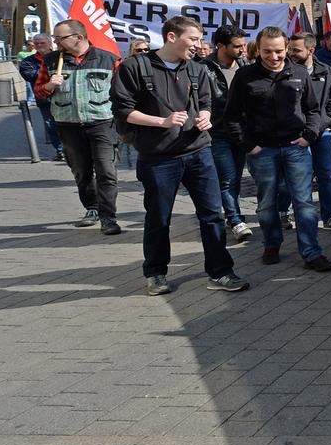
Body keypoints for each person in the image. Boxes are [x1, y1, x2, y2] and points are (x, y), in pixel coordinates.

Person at [112, 16, 249, 296]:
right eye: (193, 39)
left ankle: (220, 271)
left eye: (200, 40)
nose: (198, 46)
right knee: (159, 218)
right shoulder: (135, 67)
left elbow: (207, 102)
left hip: (199, 152)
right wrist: (161, 121)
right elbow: (124, 110)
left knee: (212, 214)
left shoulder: (197, 70)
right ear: (172, 37)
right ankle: (156, 273)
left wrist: (205, 118)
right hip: (159, 158)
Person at [224, 26, 331, 272]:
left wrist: (309, 135)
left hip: (296, 147)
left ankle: (311, 252)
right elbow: (232, 116)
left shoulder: (298, 72)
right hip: (262, 151)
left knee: (304, 203)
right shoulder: (245, 76)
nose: (273, 57)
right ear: (258, 50)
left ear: (286, 49)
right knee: (266, 204)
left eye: (278, 51)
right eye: (267, 52)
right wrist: (248, 145)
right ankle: (272, 243)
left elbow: (313, 110)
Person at [35, 19, 121, 233]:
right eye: (55, 38)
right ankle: (91, 207)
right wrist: (49, 85)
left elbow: (122, 93)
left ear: (78, 37)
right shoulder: (51, 61)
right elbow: (39, 91)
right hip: (68, 124)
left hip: (102, 123)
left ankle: (108, 217)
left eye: (60, 38)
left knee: (106, 171)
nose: (56, 42)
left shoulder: (109, 60)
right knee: (81, 171)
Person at [287, 33, 331, 231]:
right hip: (295, 134)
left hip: (321, 132)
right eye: (289, 48)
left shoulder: (326, 71)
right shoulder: (286, 70)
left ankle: (330, 215)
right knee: (297, 177)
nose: (290, 53)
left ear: (310, 50)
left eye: (296, 50)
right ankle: (295, 215)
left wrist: (325, 124)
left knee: (326, 175)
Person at [207, 25, 254, 242]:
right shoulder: (203, 68)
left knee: (235, 177)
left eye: (243, 45)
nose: (242, 50)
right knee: (227, 178)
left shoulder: (245, 66)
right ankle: (235, 219)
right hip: (217, 132)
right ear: (221, 46)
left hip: (241, 131)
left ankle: (230, 213)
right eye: (237, 46)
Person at [18, 33, 63, 162]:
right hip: (44, 98)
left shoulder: (61, 57)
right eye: (36, 43)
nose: (39, 45)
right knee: (51, 125)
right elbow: (30, 75)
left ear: (50, 43)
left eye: (42, 43)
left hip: (64, 97)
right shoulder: (28, 61)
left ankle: (73, 149)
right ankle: (60, 150)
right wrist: (50, 73)